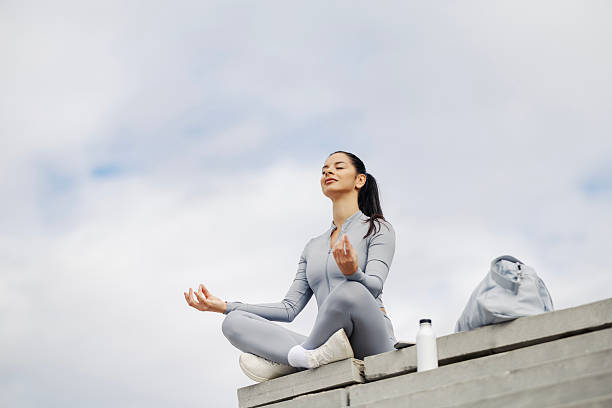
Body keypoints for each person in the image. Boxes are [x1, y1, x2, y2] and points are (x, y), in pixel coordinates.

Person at [183, 151, 397, 382]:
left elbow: (373, 287)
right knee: (234, 321)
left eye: (338, 167)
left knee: (349, 290)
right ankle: (303, 358)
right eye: (324, 169)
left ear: (360, 180)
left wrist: (353, 273)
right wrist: (224, 306)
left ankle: (294, 359)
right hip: (328, 343)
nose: (328, 171)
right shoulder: (313, 246)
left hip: (370, 338)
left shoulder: (377, 228)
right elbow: (288, 309)